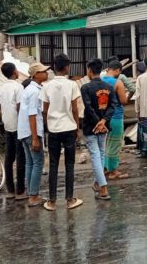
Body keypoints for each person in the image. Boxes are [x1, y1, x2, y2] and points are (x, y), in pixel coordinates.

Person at [40, 54, 83, 211]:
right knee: (69, 164)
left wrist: (48, 124)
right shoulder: (72, 85)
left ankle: (51, 201)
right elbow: (75, 108)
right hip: (69, 127)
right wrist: (77, 127)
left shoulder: (46, 86)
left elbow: (44, 110)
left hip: (53, 129)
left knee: (53, 164)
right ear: (66, 67)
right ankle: (70, 200)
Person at [0, 63, 26, 200]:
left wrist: (4, 114)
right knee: (21, 159)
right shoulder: (18, 87)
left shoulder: (1, 88)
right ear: (15, 72)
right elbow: (20, 108)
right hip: (18, 127)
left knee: (9, 158)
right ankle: (20, 191)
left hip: (7, 126)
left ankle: (10, 190)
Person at [81, 58, 115, 200]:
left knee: (96, 155)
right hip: (104, 126)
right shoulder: (108, 87)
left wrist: (97, 122)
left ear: (89, 70)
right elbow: (112, 106)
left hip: (91, 126)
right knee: (100, 154)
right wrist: (103, 121)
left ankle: (103, 188)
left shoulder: (86, 88)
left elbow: (88, 108)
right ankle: (98, 183)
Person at [17, 62, 49, 207]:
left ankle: (31, 192)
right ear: (36, 75)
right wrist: (35, 138)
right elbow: (32, 114)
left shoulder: (28, 89)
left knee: (30, 163)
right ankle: (34, 195)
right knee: (38, 163)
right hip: (32, 131)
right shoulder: (35, 91)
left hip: (24, 131)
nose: (46, 73)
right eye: (43, 71)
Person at [102, 60, 130, 180]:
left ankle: (104, 169)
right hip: (115, 116)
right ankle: (113, 171)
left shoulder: (100, 81)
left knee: (104, 145)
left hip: (102, 118)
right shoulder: (117, 83)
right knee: (114, 145)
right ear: (117, 70)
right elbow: (124, 101)